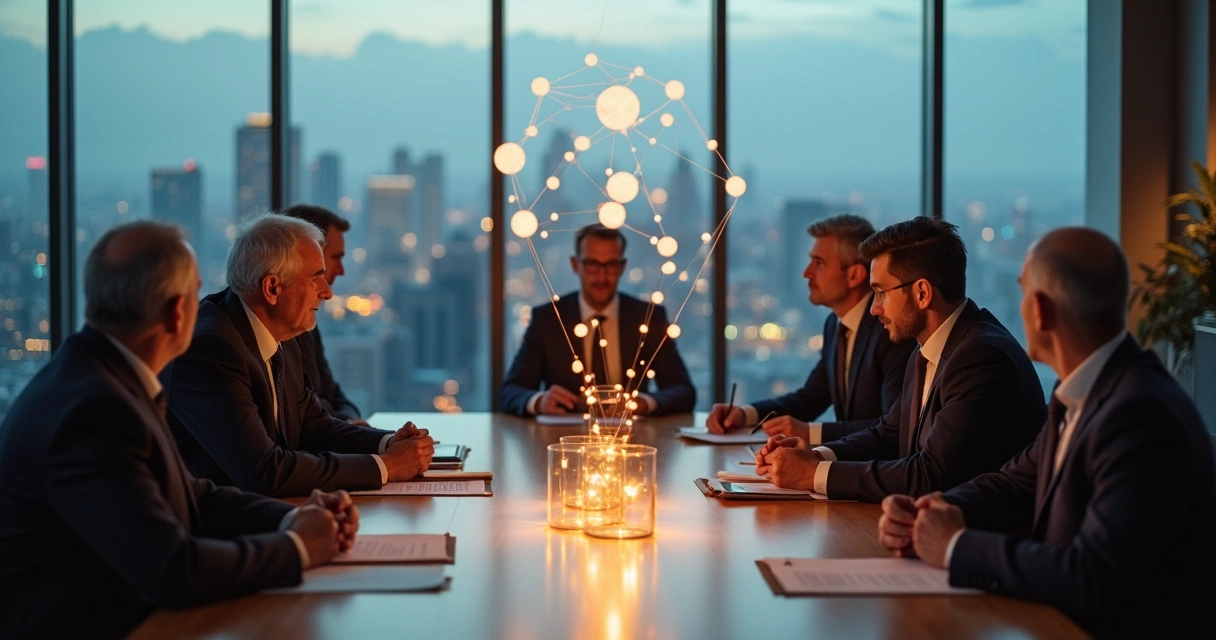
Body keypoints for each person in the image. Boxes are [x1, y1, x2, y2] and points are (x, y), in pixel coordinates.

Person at [0, 222, 358, 638]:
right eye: (197, 293)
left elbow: (190, 494)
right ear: (176, 311)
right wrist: (298, 548)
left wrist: (295, 518)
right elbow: (173, 570)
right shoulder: (94, 411)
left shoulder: (101, 377)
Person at [877, 228, 1216, 638]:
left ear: (1039, 309)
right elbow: (1015, 483)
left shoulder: (1141, 415)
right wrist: (932, 512)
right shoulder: (1082, 391)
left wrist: (953, 545)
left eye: (1022, 294)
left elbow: (1092, 575)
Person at [756, 217, 1044, 503]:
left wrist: (813, 474)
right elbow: (888, 435)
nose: (874, 308)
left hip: (975, 538)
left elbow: (931, 476)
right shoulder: (927, 348)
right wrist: (814, 455)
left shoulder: (981, 358)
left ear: (921, 293)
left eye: (881, 292)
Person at [163, 214, 433, 498]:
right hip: (216, 529)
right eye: (316, 278)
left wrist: (388, 443)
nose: (327, 292)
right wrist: (386, 466)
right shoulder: (211, 349)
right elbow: (265, 471)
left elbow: (313, 426)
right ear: (272, 288)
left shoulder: (281, 329)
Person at [706, 214, 913, 442]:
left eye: (819, 263)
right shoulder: (835, 323)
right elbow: (811, 398)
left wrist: (811, 433)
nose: (807, 273)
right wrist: (745, 414)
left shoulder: (889, 330)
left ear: (854, 275)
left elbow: (893, 427)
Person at [499, 224, 695, 416]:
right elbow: (511, 391)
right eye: (592, 265)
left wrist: (644, 403)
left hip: (631, 439)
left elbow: (683, 391)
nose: (602, 277)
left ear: (622, 267)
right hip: (563, 440)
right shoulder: (549, 320)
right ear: (576, 265)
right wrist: (539, 401)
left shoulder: (648, 318)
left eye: (610, 265)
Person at [282, 204, 366, 425]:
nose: (341, 270)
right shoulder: (278, 324)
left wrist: (349, 421)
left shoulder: (305, 316)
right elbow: (307, 407)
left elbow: (330, 391)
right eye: (335, 257)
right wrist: (349, 428)